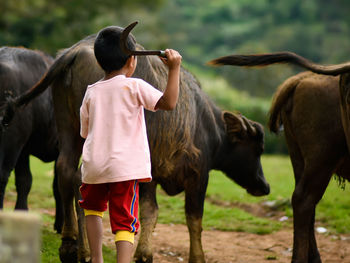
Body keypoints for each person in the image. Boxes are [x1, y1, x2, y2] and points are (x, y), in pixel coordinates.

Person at [78, 25, 182, 263]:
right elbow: (168, 103)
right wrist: (174, 69)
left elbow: (85, 132)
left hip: (94, 167)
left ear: (99, 61)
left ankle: (96, 259)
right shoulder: (134, 86)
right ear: (132, 62)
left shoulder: (91, 92)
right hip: (124, 170)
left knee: (92, 209)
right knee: (124, 219)